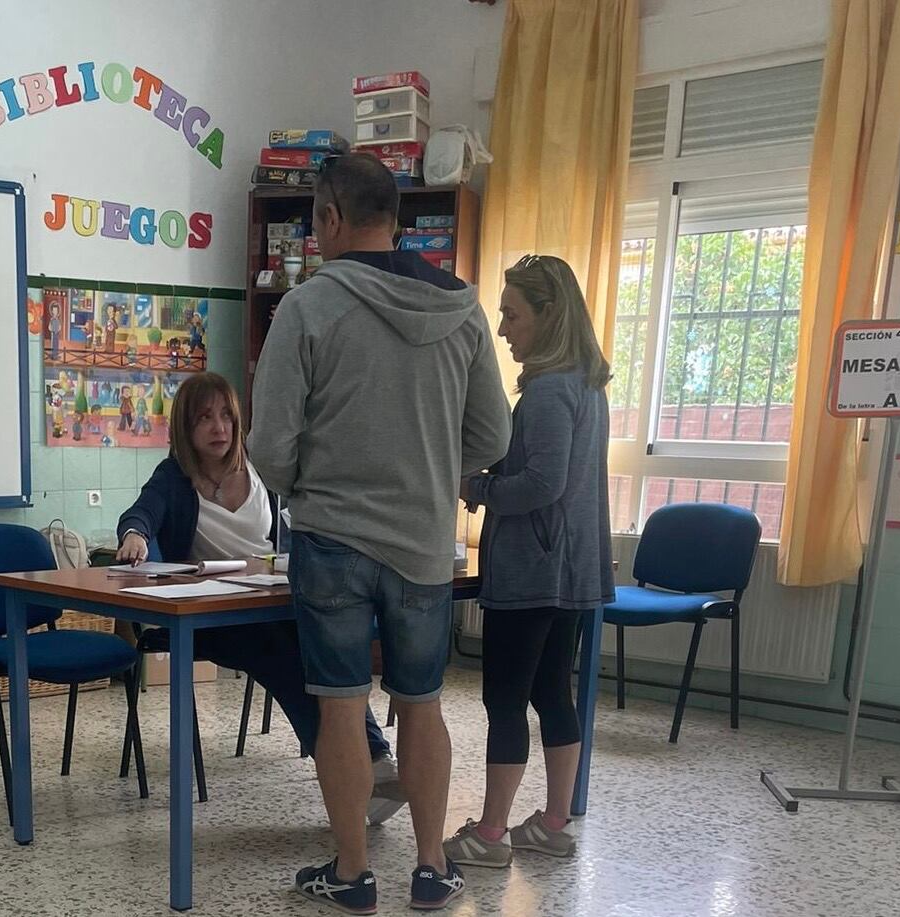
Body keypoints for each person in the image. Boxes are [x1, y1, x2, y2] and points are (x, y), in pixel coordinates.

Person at [249, 153, 511, 913]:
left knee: (339, 705)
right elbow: (492, 436)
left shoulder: (306, 307)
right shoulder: (462, 309)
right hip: (425, 546)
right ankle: (432, 867)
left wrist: (307, 487)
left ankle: (354, 871)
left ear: (329, 218)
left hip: (330, 539)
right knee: (422, 704)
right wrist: (426, 468)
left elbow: (269, 448)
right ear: (395, 218)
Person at [115, 371, 409, 825]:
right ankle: (362, 765)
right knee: (282, 653)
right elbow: (141, 513)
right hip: (210, 621)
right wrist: (134, 534)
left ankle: (369, 759)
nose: (219, 428)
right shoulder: (174, 477)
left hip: (272, 604)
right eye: (205, 418)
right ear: (185, 428)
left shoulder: (260, 468)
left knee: (319, 649)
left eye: (227, 417)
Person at [444, 255, 615, 869]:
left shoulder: (547, 390)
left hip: (532, 571)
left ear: (549, 315)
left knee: (505, 700)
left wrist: (477, 487)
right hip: (571, 571)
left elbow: (542, 483)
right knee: (553, 693)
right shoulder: (586, 385)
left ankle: (490, 835)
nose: (504, 328)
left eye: (513, 314)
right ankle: (551, 822)